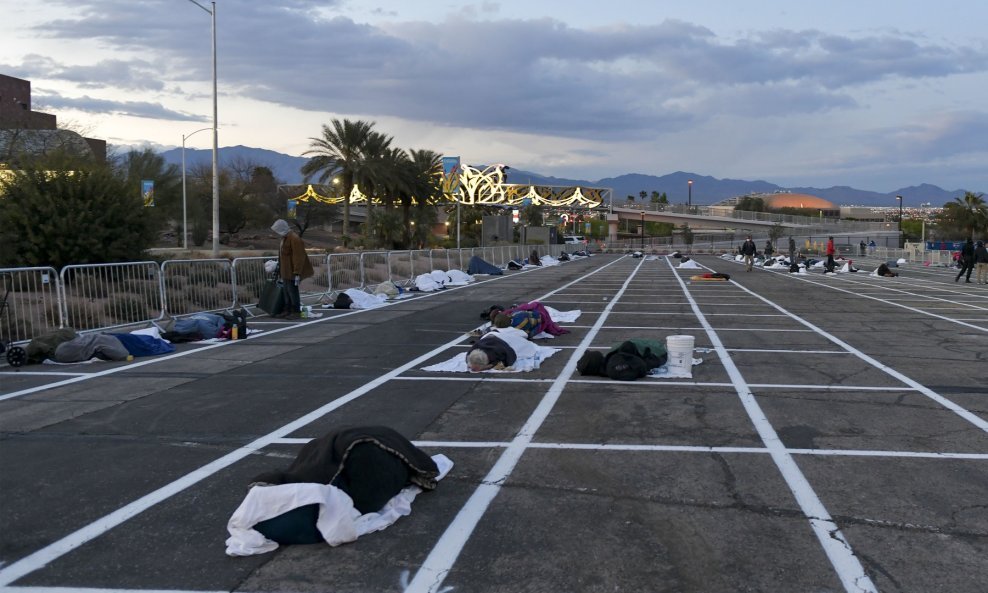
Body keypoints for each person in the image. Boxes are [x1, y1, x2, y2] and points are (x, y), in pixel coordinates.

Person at [271, 219, 315, 318]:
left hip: (292, 271)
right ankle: (287, 310)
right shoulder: (285, 238)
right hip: (285, 271)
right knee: (286, 291)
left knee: (292, 292)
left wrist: (297, 272)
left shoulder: (294, 239)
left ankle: (295, 311)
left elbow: (298, 257)